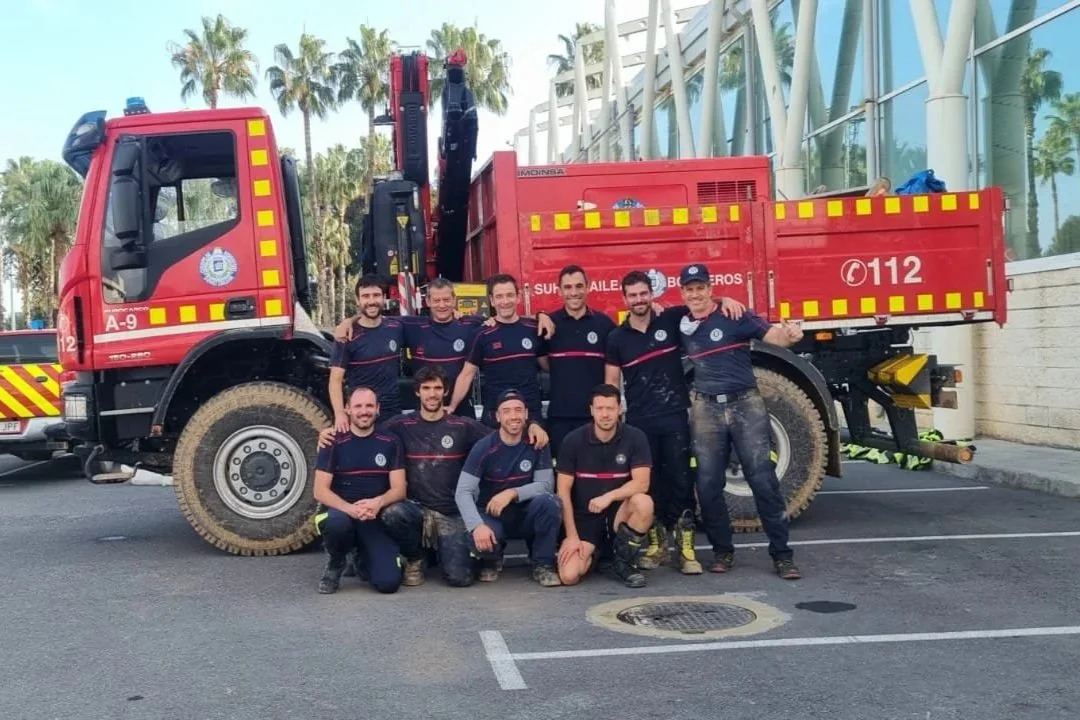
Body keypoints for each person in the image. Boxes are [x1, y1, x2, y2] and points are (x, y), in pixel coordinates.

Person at [316, 364, 549, 587]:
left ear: (445, 391)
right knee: (394, 513)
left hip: (450, 513)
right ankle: (415, 557)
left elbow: (502, 434)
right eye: (426, 388)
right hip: (415, 511)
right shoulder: (399, 425)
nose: (432, 394)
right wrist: (330, 434)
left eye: (437, 388)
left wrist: (532, 425)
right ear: (417, 392)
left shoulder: (463, 426)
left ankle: (442, 552)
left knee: (460, 578)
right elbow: (364, 429)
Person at [604, 270, 745, 575]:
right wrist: (614, 418)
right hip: (640, 424)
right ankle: (657, 547)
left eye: (643, 294)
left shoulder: (671, 320)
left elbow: (702, 305)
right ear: (624, 298)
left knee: (682, 482)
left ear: (650, 294)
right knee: (651, 486)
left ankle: (686, 549)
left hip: (674, 418)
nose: (639, 300)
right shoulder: (617, 338)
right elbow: (611, 381)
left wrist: (725, 298)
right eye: (633, 295)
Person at [675, 262, 803, 580]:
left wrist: (790, 335)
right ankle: (722, 552)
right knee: (707, 485)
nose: (696, 294)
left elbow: (773, 336)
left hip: (745, 403)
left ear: (709, 288)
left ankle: (782, 555)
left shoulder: (734, 315)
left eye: (700, 288)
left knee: (762, 479)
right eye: (689, 289)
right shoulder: (682, 325)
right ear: (683, 293)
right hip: (706, 408)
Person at [313, 386, 416, 595]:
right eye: (358, 406)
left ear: (378, 409)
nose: (364, 411)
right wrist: (350, 509)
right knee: (336, 523)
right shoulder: (332, 441)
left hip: (373, 517)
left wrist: (378, 502)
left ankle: (362, 556)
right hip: (341, 513)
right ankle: (336, 563)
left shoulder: (390, 441)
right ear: (348, 410)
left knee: (388, 583)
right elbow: (319, 491)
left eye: (369, 406)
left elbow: (399, 490)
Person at [455, 389, 563, 586]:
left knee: (551, 503)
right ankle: (491, 558)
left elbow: (546, 485)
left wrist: (513, 493)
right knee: (478, 535)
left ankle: (543, 564)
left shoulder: (538, 442)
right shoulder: (484, 447)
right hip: (493, 514)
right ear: (497, 416)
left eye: (518, 410)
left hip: (525, 513)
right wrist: (477, 526)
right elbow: (463, 492)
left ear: (526, 414)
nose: (513, 416)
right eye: (506, 411)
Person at [555, 384, 655, 588]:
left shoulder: (636, 437)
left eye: (610, 408)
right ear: (591, 410)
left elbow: (642, 483)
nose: (605, 414)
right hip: (585, 519)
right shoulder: (572, 441)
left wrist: (609, 497)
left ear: (620, 409)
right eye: (600, 408)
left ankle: (624, 562)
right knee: (569, 576)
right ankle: (598, 556)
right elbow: (562, 492)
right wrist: (572, 536)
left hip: (618, 515)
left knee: (644, 503)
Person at [535, 265, 616, 457]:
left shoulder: (604, 324)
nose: (574, 292)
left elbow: (612, 371)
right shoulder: (549, 324)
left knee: (597, 474)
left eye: (579, 286)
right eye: (568, 287)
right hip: (561, 417)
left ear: (588, 287)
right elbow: (544, 363)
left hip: (596, 417)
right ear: (560, 291)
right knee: (564, 474)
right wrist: (540, 314)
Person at [449, 274, 549, 428]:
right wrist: (452, 407)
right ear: (492, 300)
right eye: (499, 296)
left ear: (518, 297)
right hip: (495, 415)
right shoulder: (482, 334)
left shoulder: (533, 329)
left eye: (510, 295)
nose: (505, 301)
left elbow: (548, 367)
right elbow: (466, 374)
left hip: (530, 413)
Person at [329, 275, 405, 427]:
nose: (371, 301)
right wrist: (340, 414)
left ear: (384, 298)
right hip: (362, 414)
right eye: (365, 296)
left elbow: (431, 322)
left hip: (392, 412)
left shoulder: (396, 327)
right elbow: (335, 380)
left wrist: (455, 314)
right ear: (357, 300)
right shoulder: (347, 336)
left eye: (376, 295)